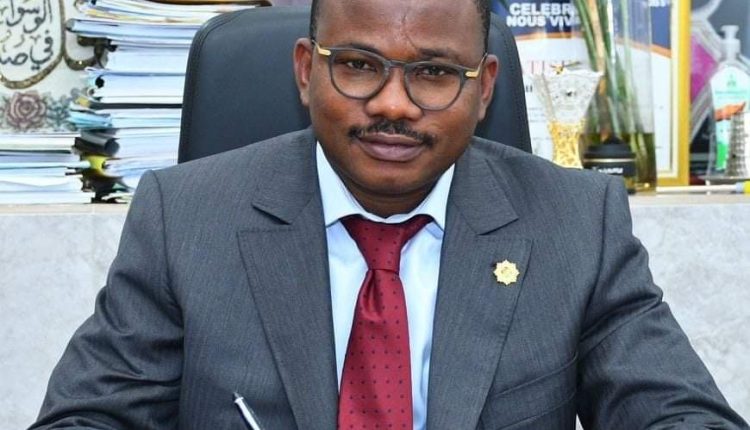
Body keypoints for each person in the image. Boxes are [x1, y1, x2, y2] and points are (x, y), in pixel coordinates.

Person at [31, 0, 748, 429]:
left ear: (484, 88)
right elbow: (88, 418)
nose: (394, 105)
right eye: (358, 65)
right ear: (306, 70)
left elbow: (678, 413)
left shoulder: (575, 224)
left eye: (434, 73)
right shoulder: (183, 220)